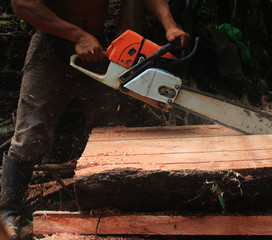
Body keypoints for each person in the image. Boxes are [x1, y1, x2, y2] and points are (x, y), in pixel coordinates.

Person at [1, 0, 189, 238]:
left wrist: (169, 24)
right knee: (30, 132)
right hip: (52, 46)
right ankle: (9, 211)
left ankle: (112, 201)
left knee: (112, 126)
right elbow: (23, 5)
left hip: (103, 47)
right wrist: (77, 35)